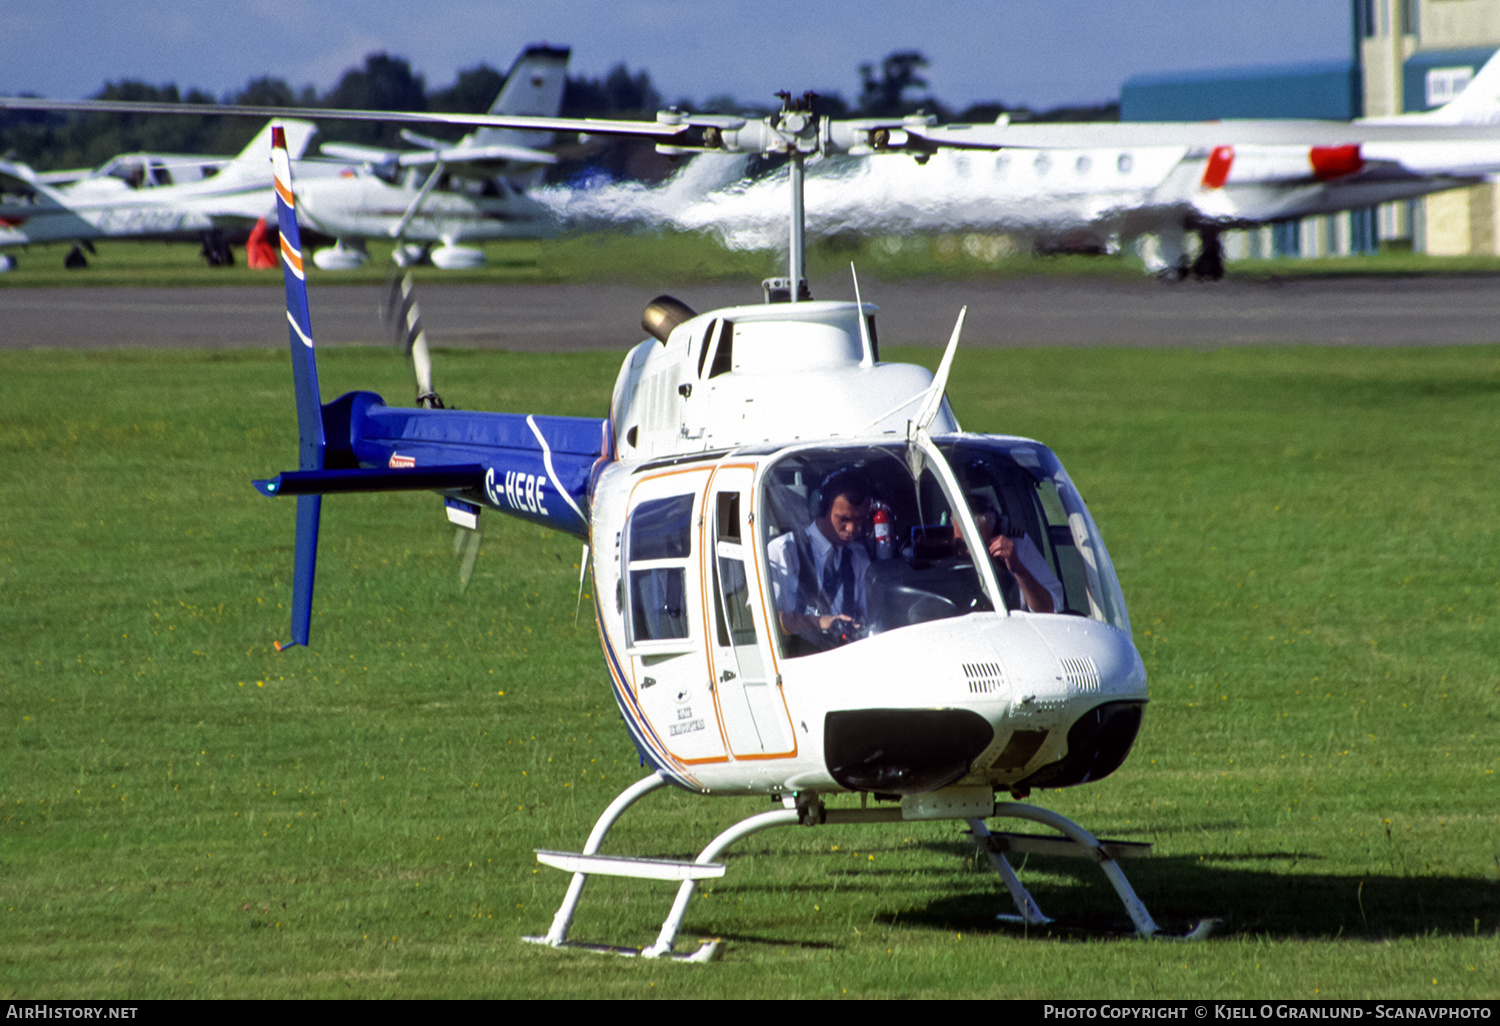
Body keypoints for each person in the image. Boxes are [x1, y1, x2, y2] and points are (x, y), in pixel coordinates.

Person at [767, 467, 873, 648]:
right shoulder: (783, 551)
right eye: (843, 519)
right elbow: (762, 620)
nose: (852, 529)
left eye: (860, 520)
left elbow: (869, 617)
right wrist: (820, 622)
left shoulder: (859, 558)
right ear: (821, 508)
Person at [958, 500, 1063, 614]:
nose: (970, 552)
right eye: (963, 544)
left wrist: (1017, 567)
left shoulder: (1018, 546)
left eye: (980, 544)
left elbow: (1049, 609)